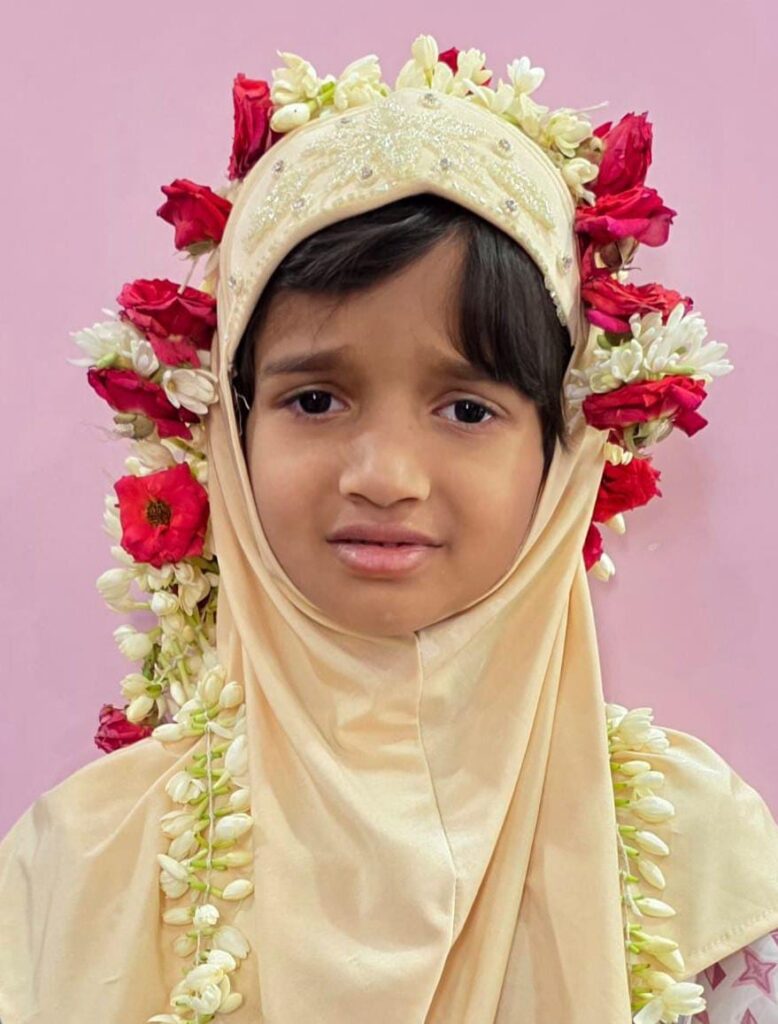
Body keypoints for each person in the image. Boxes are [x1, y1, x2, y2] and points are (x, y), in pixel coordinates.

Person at [1, 34, 777, 1024]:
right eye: (316, 399)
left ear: (563, 450)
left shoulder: (687, 862)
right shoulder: (84, 868)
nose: (384, 477)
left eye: (467, 409)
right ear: (228, 430)